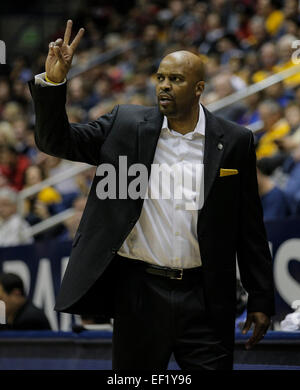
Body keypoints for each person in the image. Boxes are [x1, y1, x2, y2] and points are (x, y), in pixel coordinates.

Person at [28, 20, 275, 370]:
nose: (164, 86)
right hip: (139, 294)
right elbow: (56, 141)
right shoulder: (125, 125)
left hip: (206, 296)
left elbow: (249, 226)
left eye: (176, 80)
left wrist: (261, 298)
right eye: (160, 77)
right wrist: (54, 83)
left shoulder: (235, 140)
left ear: (199, 88)